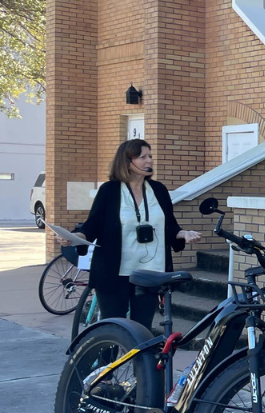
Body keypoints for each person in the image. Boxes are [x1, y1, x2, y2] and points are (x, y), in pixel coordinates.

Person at [60, 139, 201, 329]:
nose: (149, 161)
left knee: (142, 330)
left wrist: (183, 234)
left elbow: (170, 226)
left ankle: (140, 360)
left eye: (150, 156)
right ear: (127, 162)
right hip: (114, 272)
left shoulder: (158, 190)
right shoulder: (109, 191)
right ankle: (107, 360)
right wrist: (75, 238)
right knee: (112, 329)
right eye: (142, 157)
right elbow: (92, 226)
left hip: (151, 273)